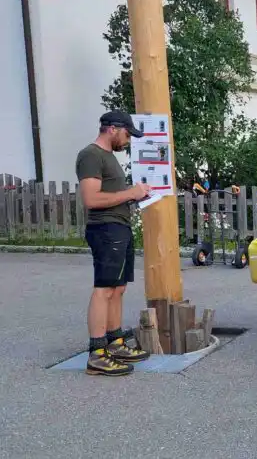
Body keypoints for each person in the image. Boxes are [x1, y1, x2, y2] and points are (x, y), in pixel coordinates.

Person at [75, 110, 153, 376]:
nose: (128, 140)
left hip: (119, 227)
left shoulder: (108, 157)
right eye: (127, 134)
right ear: (113, 129)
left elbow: (111, 194)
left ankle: (115, 343)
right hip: (106, 229)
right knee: (104, 289)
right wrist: (131, 193)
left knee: (118, 288)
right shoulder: (91, 155)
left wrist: (135, 195)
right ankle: (97, 354)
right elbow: (91, 199)